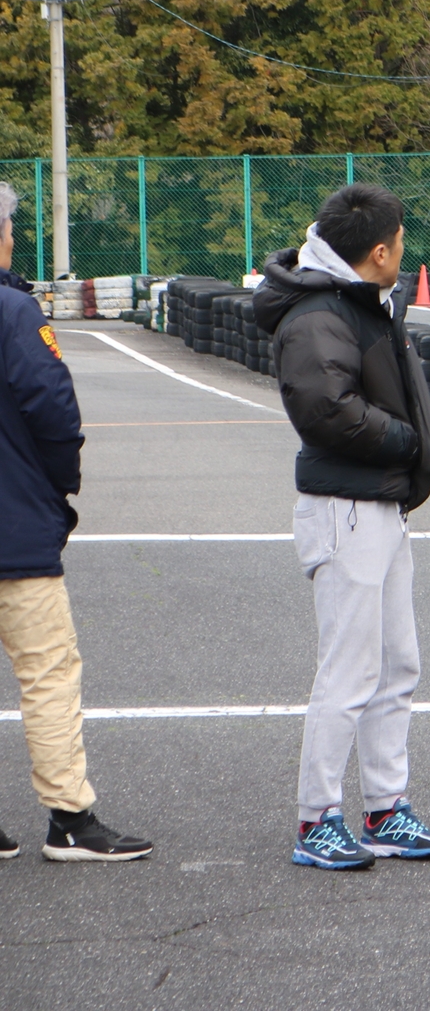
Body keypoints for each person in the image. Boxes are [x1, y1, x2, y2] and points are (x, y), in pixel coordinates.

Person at [255, 184, 430, 871]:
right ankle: (317, 819)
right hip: (346, 507)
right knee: (349, 671)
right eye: (400, 242)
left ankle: (385, 809)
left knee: (397, 665)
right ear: (378, 251)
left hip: (381, 503)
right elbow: (326, 410)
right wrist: (407, 441)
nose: (404, 252)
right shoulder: (318, 314)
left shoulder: (360, 301)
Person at [0, 184, 154, 864]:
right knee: (47, 671)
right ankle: (68, 819)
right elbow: (54, 412)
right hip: (15, 528)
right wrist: (59, 489)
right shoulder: (14, 312)